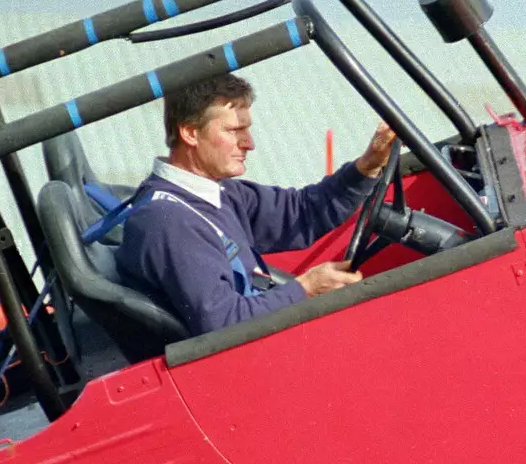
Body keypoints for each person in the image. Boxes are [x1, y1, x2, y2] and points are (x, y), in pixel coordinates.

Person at [116, 73, 395, 335]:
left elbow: (300, 212)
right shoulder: (170, 222)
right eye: (234, 130)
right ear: (190, 133)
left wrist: (368, 164)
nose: (249, 144)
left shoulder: (218, 192)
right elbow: (224, 323)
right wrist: (305, 289)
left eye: (247, 130)